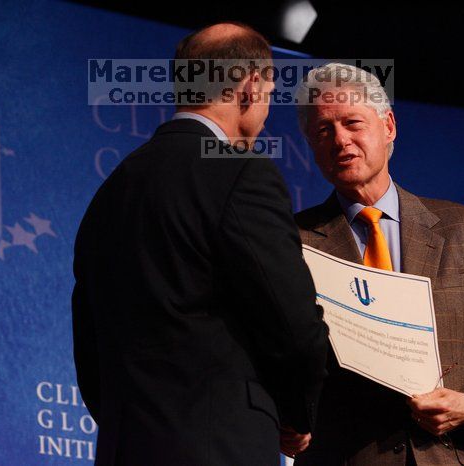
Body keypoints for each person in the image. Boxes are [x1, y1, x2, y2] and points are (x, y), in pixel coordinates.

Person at [71, 23, 329, 466]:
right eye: (268, 92)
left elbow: (88, 342)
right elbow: (291, 322)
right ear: (249, 87)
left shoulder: (111, 191)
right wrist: (297, 413)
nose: (266, 111)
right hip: (219, 445)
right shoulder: (241, 170)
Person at [293, 63, 464, 465]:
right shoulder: (291, 242)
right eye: (323, 130)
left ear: (388, 126)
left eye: (353, 123)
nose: (340, 140)